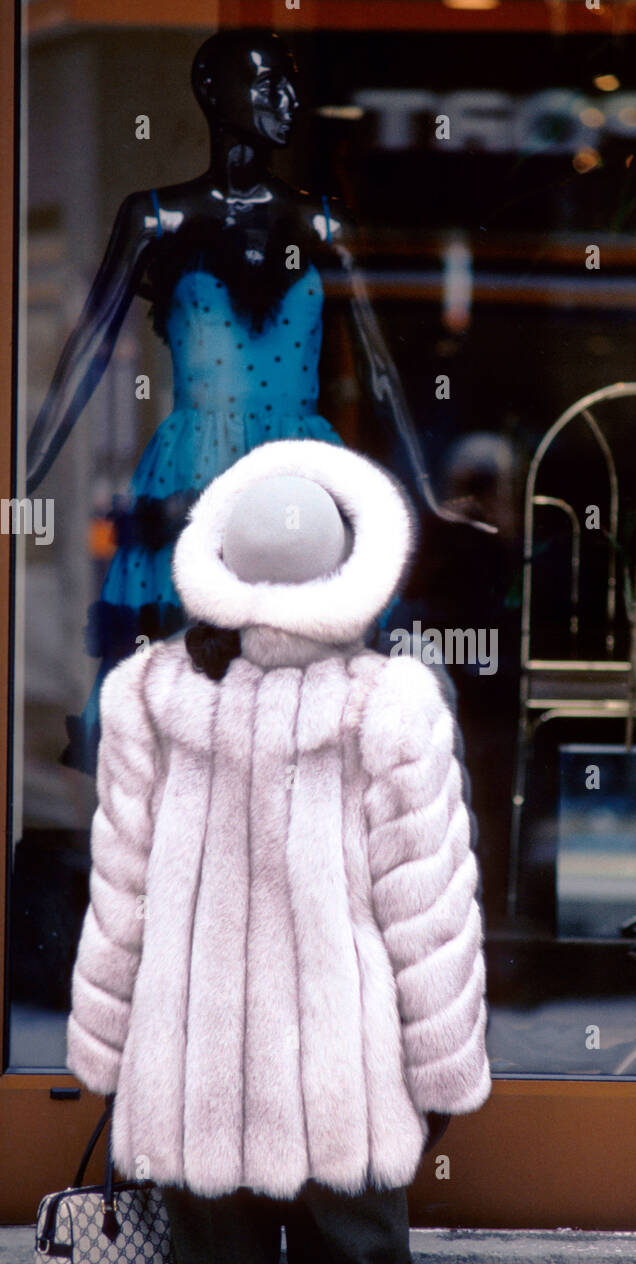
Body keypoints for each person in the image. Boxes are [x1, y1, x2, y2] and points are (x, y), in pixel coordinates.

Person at [65, 438, 492, 1264]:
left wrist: (107, 1058)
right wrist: (442, 1071)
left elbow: (121, 893)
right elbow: (428, 909)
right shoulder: (391, 702)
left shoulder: (146, 693)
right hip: (347, 1087)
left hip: (193, 1093)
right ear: (354, 564)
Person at [26, 27, 475, 775]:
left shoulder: (323, 221)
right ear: (213, 96)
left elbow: (383, 371)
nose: (287, 100)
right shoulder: (154, 217)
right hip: (193, 474)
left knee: (305, 702)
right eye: (267, 83)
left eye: (291, 83)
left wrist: (426, 495)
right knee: (179, 702)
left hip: (300, 475)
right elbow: (86, 357)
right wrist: (23, 478)